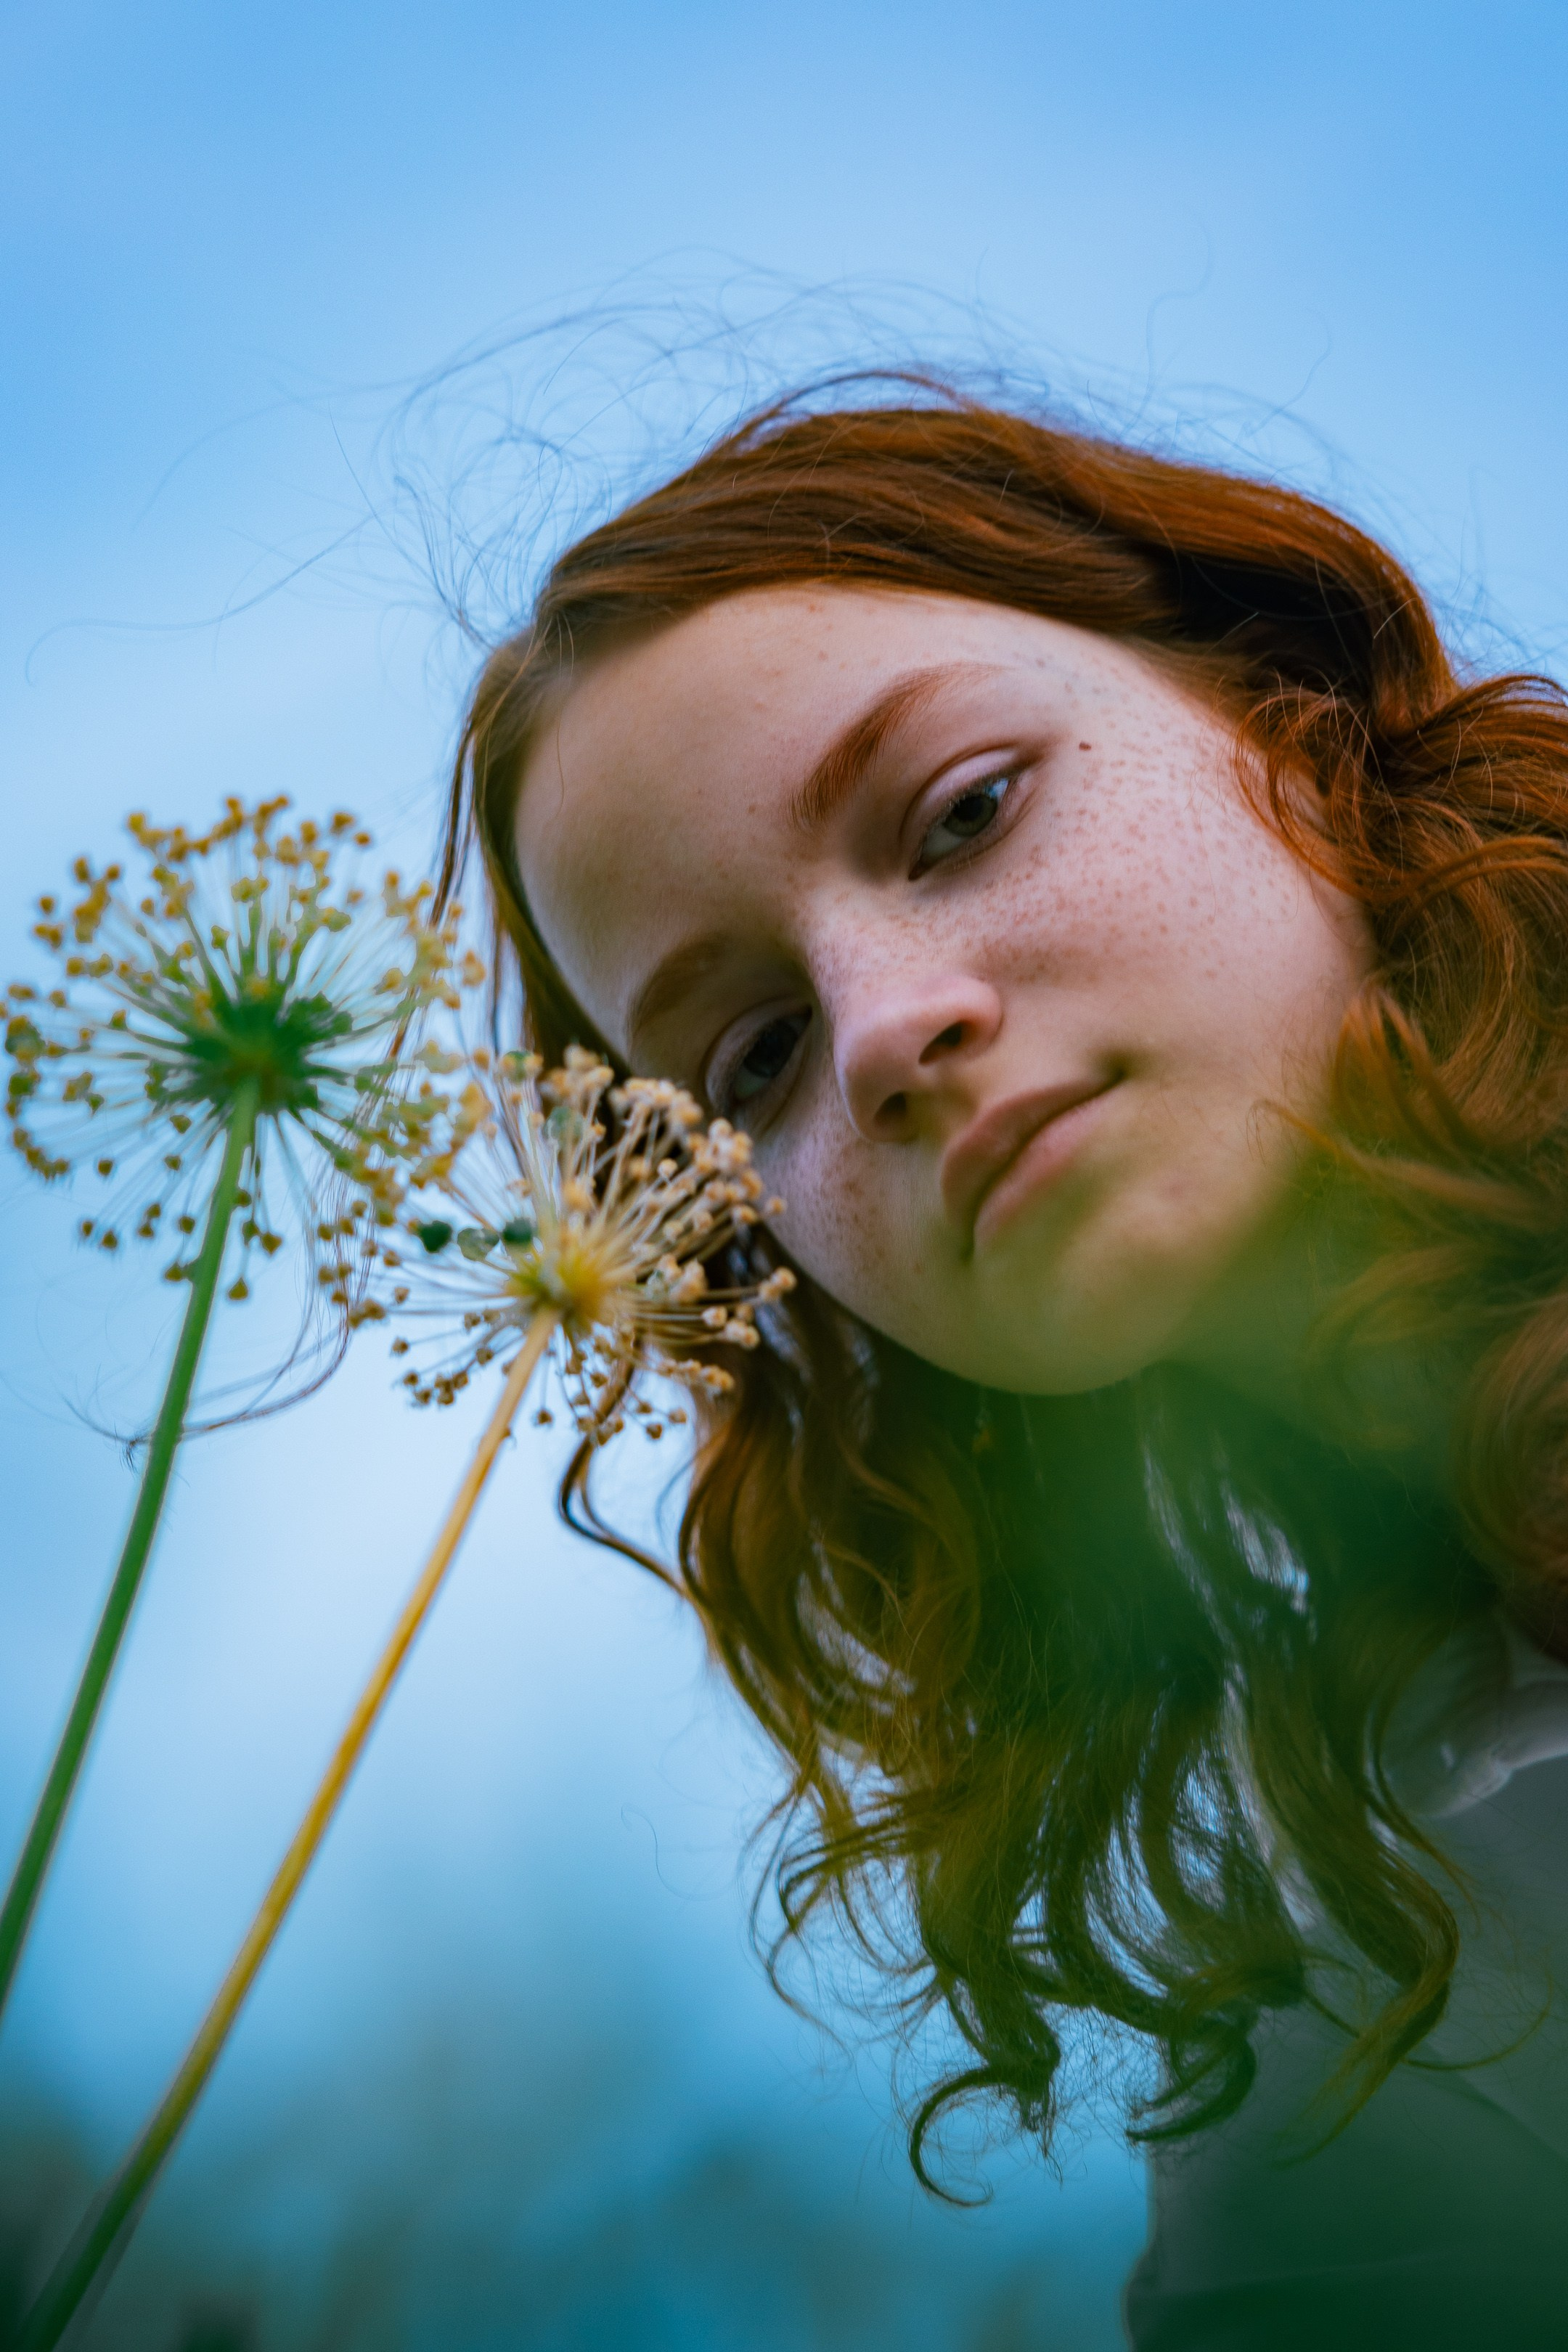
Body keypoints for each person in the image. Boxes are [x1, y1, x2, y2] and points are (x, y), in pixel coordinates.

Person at [439, 387, 1568, 2346]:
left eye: (964, 813)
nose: (882, 1034)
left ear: (1282, 709)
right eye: (754, 1060)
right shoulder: (1364, 1977)